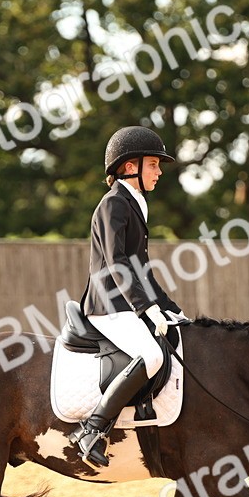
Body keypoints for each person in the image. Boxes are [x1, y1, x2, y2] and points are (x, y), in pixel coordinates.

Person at [69, 125, 188, 466]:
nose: (159, 171)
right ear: (129, 166)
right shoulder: (113, 206)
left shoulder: (135, 204)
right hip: (107, 306)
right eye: (153, 164)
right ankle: (91, 430)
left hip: (126, 305)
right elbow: (117, 264)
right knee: (151, 356)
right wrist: (146, 309)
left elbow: (143, 270)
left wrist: (171, 309)